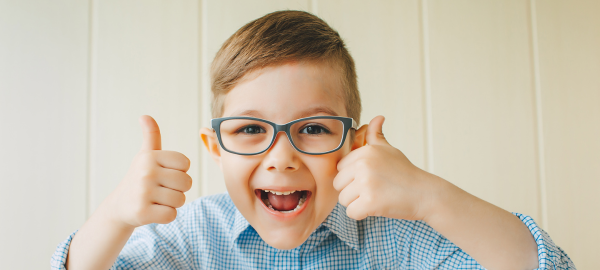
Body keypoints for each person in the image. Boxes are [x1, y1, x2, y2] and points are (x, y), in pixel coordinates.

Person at [51, 10, 574, 269]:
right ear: (216, 147)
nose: (281, 159)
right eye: (251, 129)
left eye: (314, 129)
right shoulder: (192, 238)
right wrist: (114, 216)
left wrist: (430, 197)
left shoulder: (396, 238)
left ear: (355, 146)